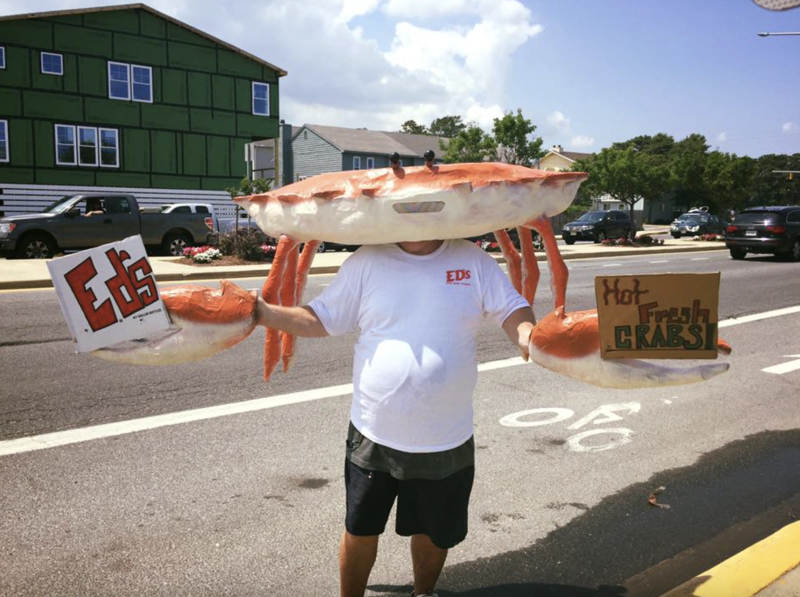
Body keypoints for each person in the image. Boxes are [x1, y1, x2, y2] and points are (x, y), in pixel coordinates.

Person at [255, 238, 535, 597]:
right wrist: (263, 312)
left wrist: (527, 334)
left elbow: (512, 308)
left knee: (434, 532)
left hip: (445, 437)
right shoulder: (367, 260)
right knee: (360, 529)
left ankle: (424, 593)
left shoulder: (472, 258)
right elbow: (321, 317)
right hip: (374, 433)